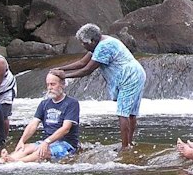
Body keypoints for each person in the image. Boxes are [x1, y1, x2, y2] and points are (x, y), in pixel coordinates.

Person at [55, 23, 146, 151]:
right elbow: (82, 62)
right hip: (136, 73)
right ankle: (129, 143)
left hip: (129, 76)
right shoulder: (100, 42)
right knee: (130, 113)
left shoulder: (104, 46)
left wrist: (64, 76)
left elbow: (87, 70)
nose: (83, 46)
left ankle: (125, 147)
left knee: (123, 113)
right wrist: (60, 69)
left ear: (92, 40)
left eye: (84, 43)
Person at [0, 69, 80, 163]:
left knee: (41, 152)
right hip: (46, 141)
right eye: (48, 84)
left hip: (66, 143)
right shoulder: (44, 103)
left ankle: (14, 162)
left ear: (62, 84)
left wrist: (47, 142)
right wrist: (22, 141)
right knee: (26, 148)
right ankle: (1, 161)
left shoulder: (72, 103)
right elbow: (33, 124)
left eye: (53, 84)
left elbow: (65, 129)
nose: (49, 87)